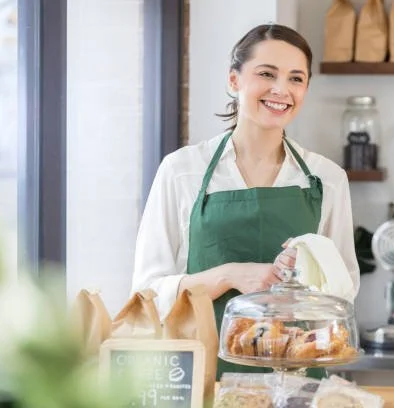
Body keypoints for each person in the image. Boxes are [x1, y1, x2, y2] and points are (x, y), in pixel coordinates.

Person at [131, 23, 359, 379]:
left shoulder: (326, 178)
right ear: (234, 81)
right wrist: (230, 274)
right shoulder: (182, 171)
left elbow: (343, 294)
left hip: (296, 382)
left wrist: (309, 272)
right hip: (201, 378)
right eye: (266, 73)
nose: (281, 89)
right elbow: (147, 295)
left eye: (296, 79)